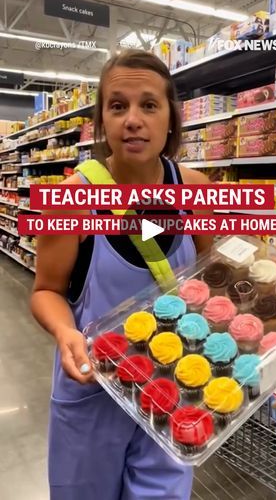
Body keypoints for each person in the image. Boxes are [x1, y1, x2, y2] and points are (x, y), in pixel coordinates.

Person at [30, 49, 213, 500]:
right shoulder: (70, 200)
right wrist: (63, 331)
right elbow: (46, 291)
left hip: (172, 392)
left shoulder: (199, 193)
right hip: (93, 393)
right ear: (101, 122)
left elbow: (210, 281)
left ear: (171, 117)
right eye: (118, 105)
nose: (133, 119)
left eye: (149, 105)